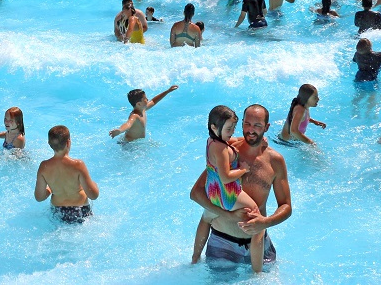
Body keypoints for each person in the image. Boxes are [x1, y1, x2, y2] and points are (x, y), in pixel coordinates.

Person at [189, 105, 289, 272]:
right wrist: (226, 214)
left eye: (257, 125)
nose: (251, 130)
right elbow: (196, 193)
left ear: (267, 127)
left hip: (259, 245)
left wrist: (265, 222)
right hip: (222, 245)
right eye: (247, 124)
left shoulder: (275, 161)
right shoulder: (229, 150)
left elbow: (286, 206)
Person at [34, 126, 100, 224]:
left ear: (49, 144)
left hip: (58, 213)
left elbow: (39, 197)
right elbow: (93, 195)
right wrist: (94, 184)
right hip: (80, 211)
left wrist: (50, 189)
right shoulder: (78, 165)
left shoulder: (44, 166)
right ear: (68, 142)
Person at [108, 86, 178, 142]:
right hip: (128, 144)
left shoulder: (142, 108)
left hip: (138, 142)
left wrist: (167, 91)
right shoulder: (135, 116)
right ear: (139, 103)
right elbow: (128, 124)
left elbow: (153, 101)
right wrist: (119, 131)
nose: (147, 100)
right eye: (145, 99)